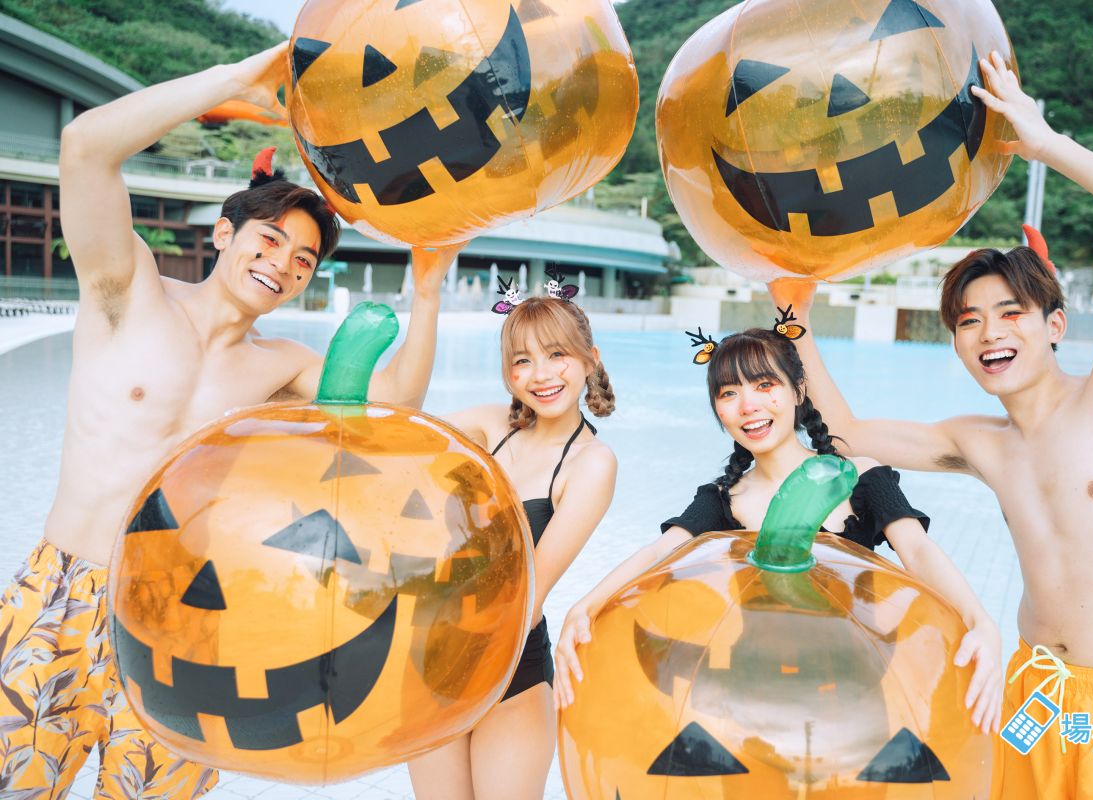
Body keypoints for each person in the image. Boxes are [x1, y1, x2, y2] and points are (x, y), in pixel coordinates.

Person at [0, 43, 459, 798]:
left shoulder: (280, 366)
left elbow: (396, 408)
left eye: (304, 260)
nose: (283, 264)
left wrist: (431, 290)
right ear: (224, 234)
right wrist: (241, 78)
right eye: (270, 239)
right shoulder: (127, 291)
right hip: (64, 590)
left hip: (180, 620)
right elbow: (84, 147)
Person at [779, 51, 1093, 798]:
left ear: (1053, 325)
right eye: (968, 320)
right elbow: (843, 433)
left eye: (1010, 313)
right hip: (1040, 696)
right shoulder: (979, 442)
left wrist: (1049, 146)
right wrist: (794, 319)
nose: (989, 332)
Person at [554, 321, 1003, 736]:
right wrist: (585, 605)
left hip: (855, 700)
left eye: (764, 385)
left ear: (798, 390)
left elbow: (918, 551)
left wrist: (980, 621)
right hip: (754, 703)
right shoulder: (724, 500)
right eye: (729, 393)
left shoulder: (860, 477)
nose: (748, 405)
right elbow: (659, 553)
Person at [408, 294, 618, 799]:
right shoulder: (489, 426)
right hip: (435, 654)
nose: (541, 375)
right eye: (522, 360)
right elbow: (395, 439)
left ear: (590, 358)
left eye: (557, 354)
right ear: (508, 373)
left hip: (510, 668)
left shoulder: (591, 463)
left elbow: (527, 595)